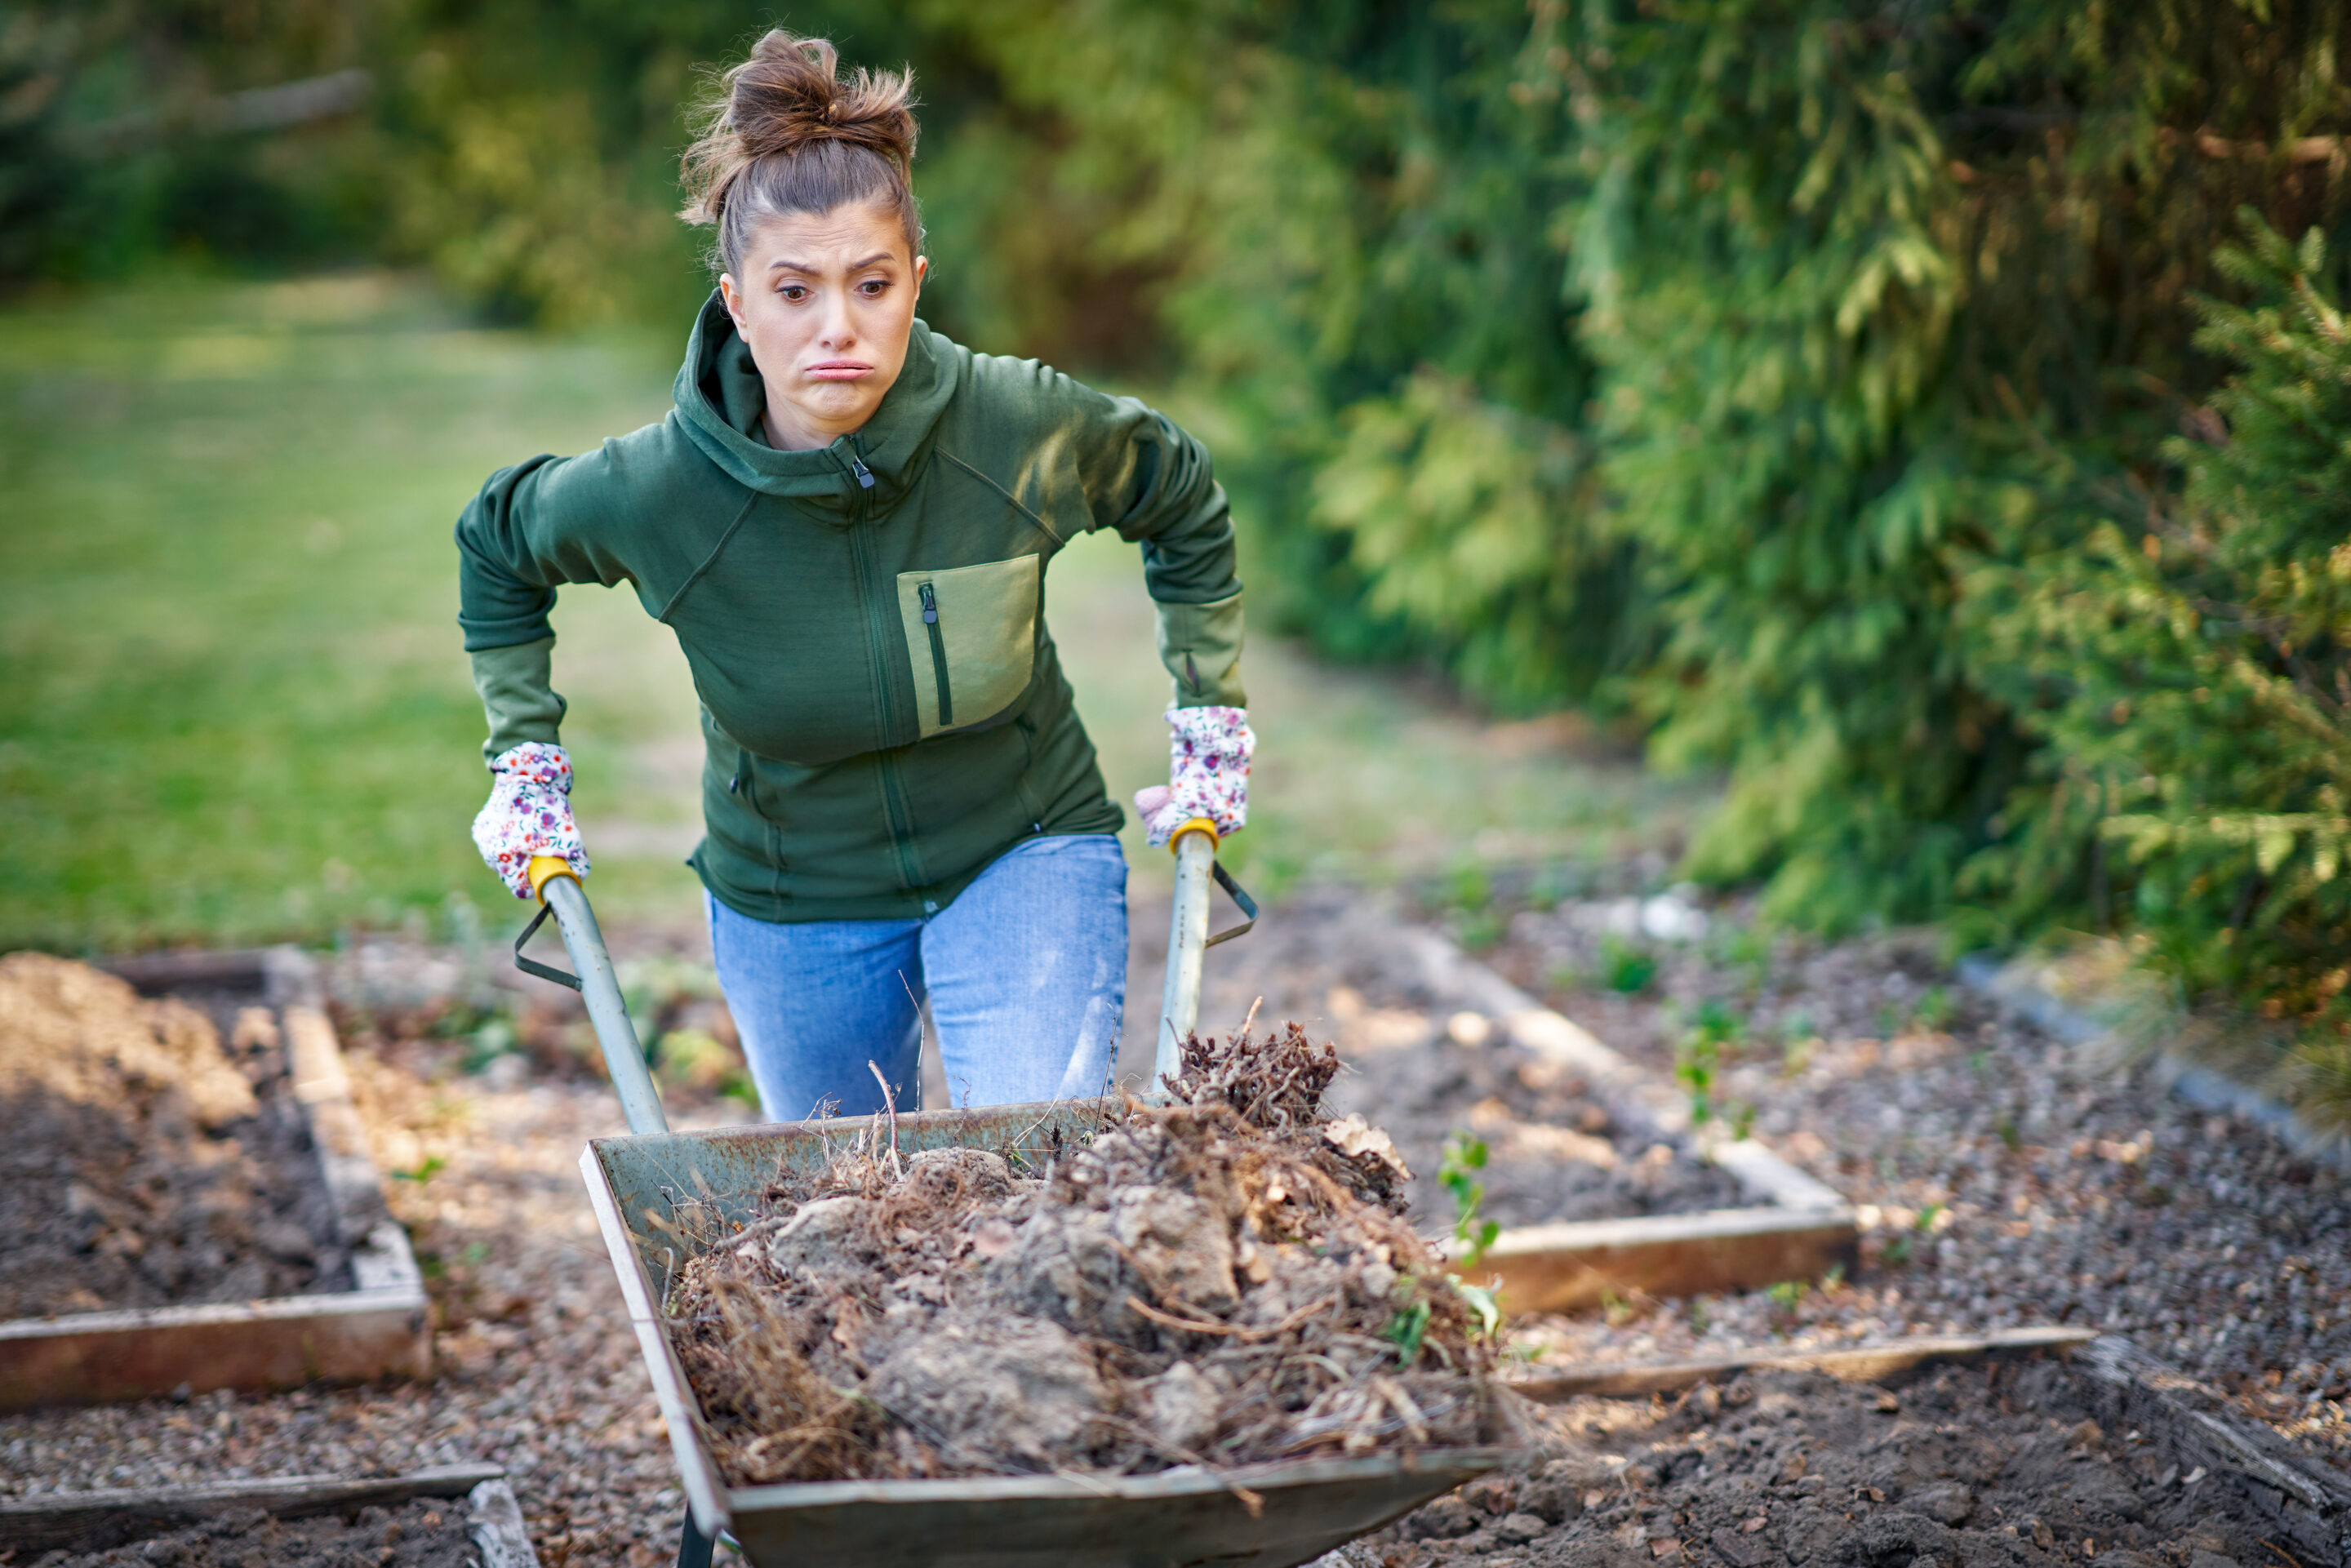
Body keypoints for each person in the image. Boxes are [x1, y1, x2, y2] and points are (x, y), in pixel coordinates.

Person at [454, 30, 1251, 1122]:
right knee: (841, 1213)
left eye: (872, 285)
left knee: (1037, 1171)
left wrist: (1209, 715)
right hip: (794, 897)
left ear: (914, 285)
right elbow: (497, 541)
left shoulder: (1012, 425)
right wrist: (523, 756)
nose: (840, 328)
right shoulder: (664, 491)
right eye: (795, 291)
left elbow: (1180, 493)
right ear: (738, 303)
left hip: (1020, 851)